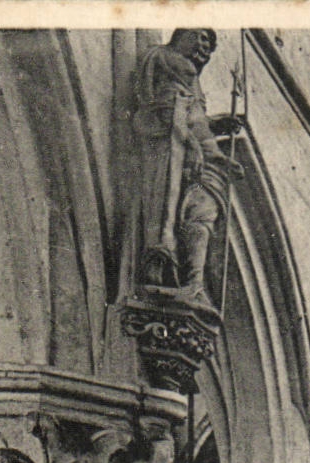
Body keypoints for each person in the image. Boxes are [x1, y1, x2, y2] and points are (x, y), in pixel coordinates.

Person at [130, 29, 240, 301]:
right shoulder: (166, 59)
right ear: (183, 35)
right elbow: (168, 109)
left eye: (210, 44)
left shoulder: (189, 78)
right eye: (201, 38)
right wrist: (192, 144)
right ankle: (173, 269)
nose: (206, 48)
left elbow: (192, 116)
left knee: (204, 211)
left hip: (198, 154)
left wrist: (214, 126)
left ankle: (192, 282)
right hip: (176, 152)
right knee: (185, 209)